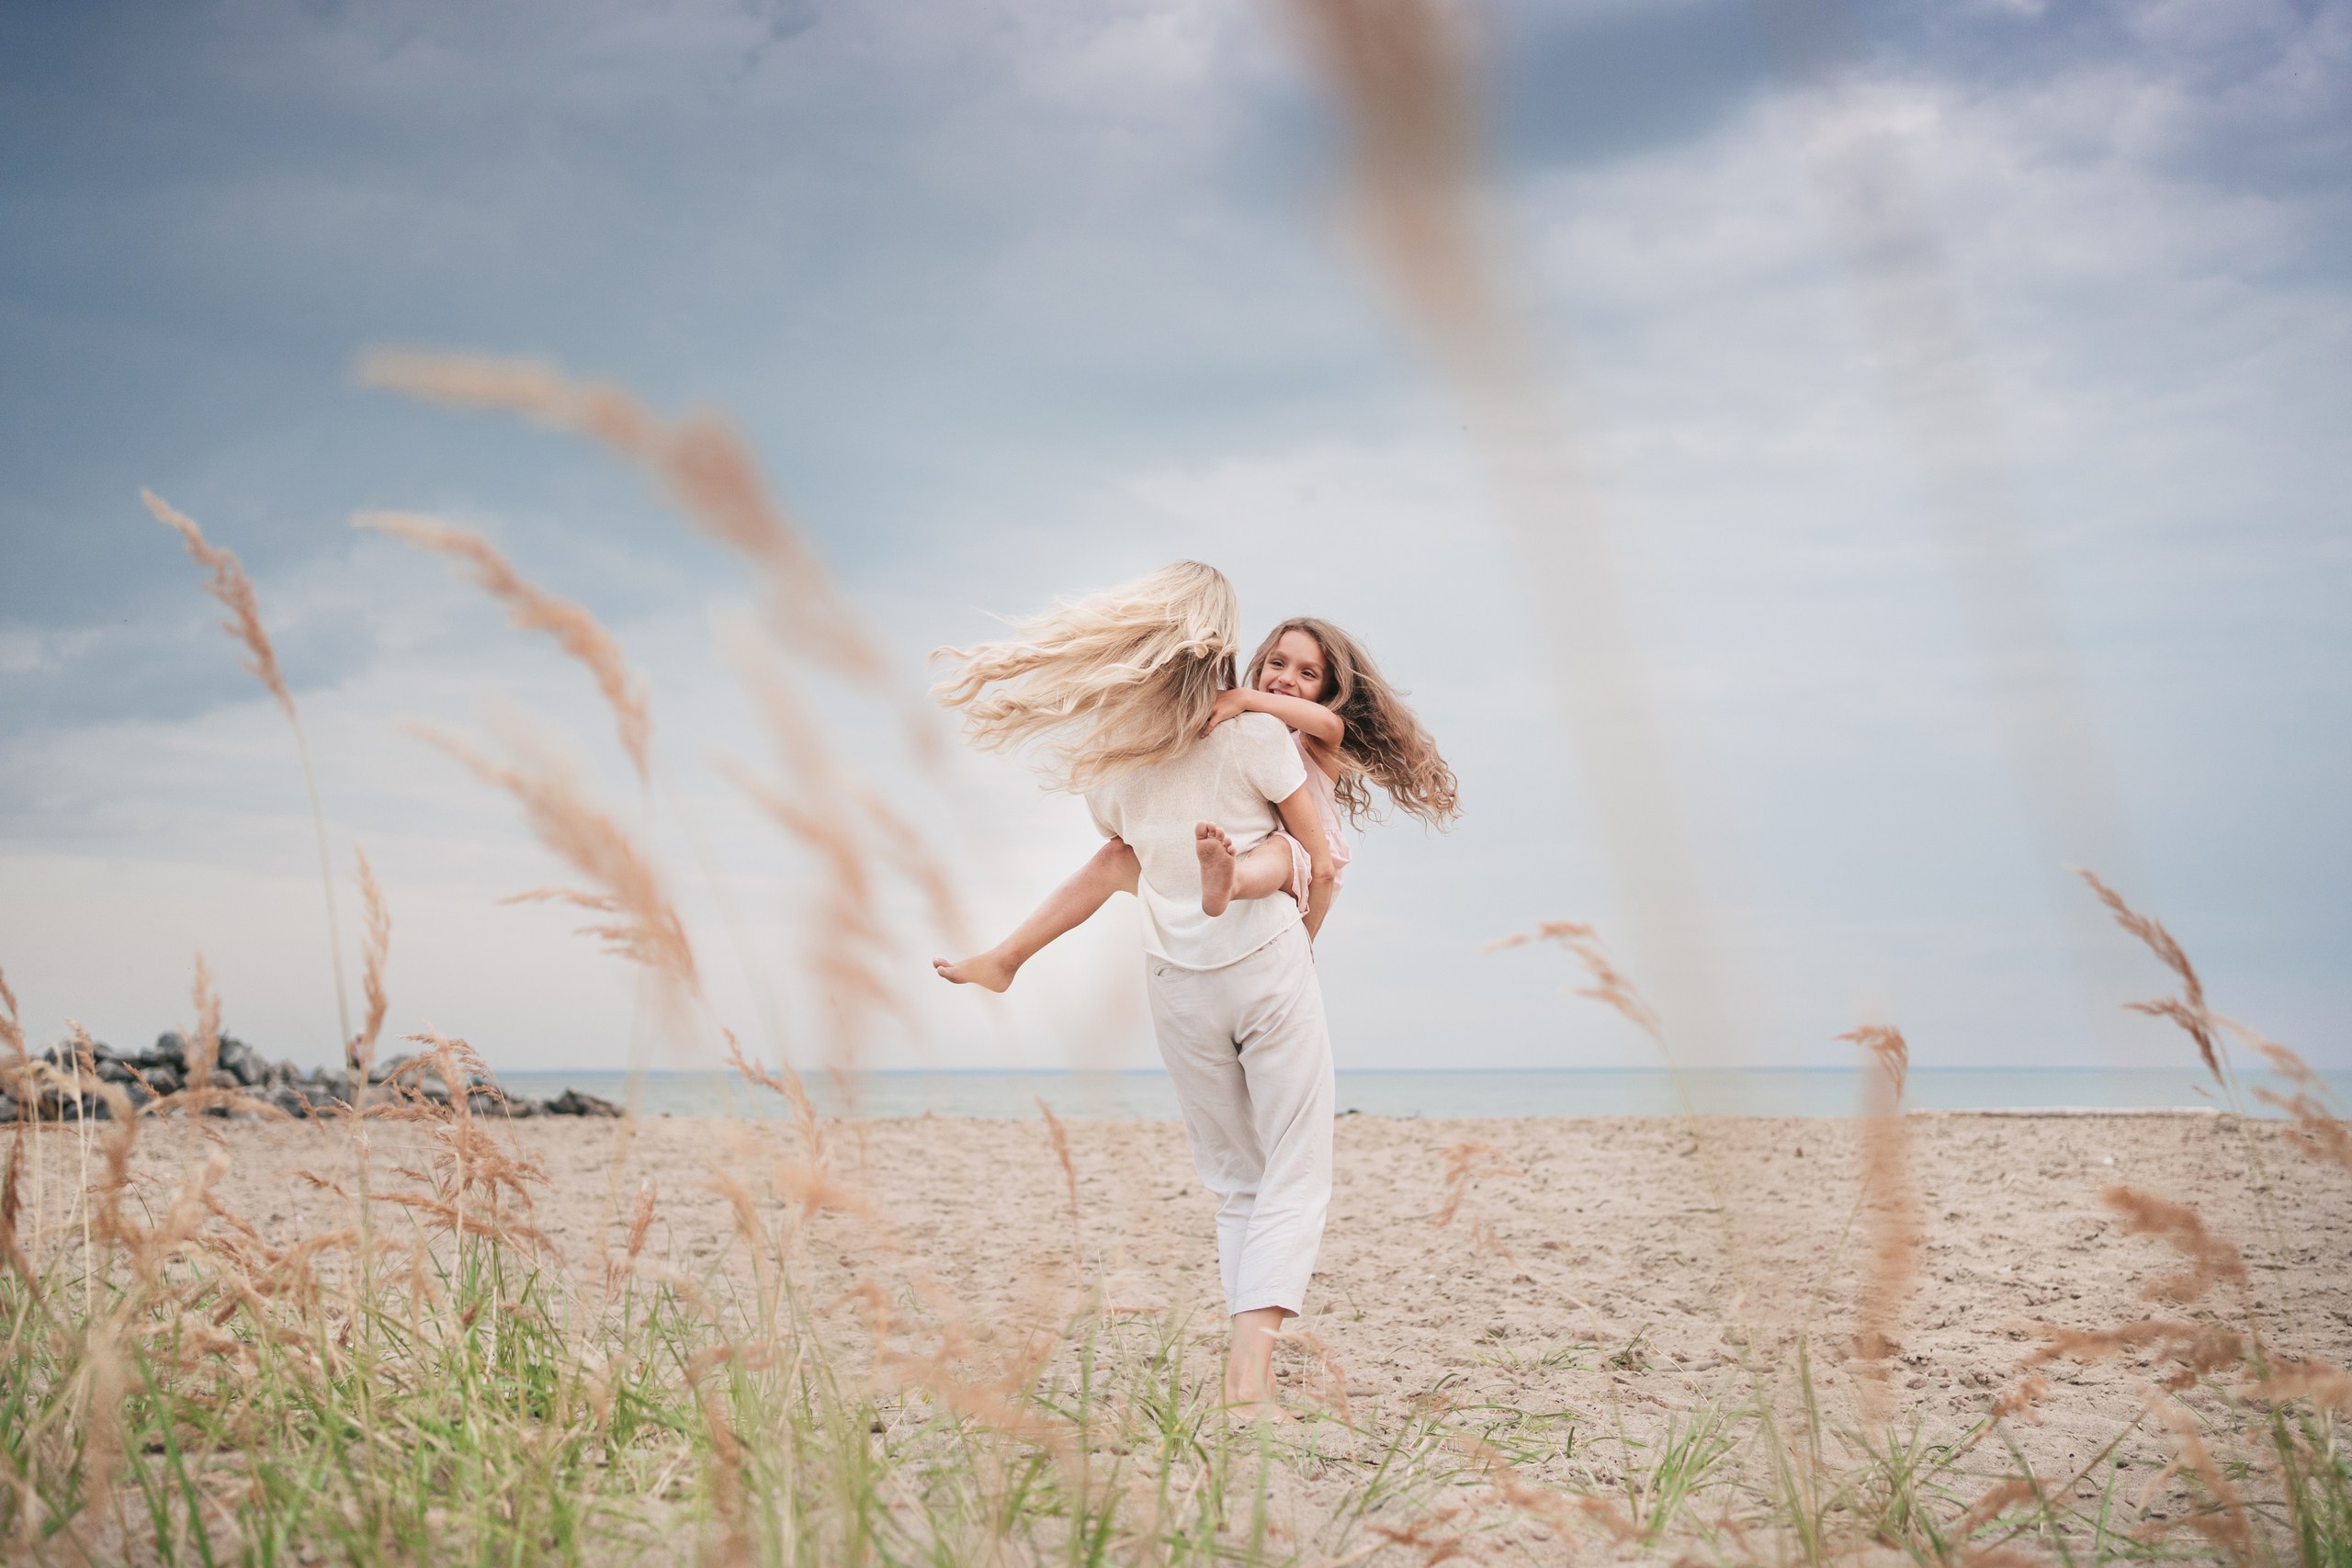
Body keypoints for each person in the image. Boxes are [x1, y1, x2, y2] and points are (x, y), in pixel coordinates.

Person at [930, 560, 1339, 1413]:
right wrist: (1303, 927)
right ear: (1224, 645)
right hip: (1264, 963)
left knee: (1235, 1179)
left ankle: (1005, 960)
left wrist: (1013, 950)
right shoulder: (1258, 737)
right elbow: (1322, 857)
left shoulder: (1115, 761)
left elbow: (1117, 859)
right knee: (1295, 1174)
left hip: (1176, 982)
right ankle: (1247, 1374)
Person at [933, 615, 1459, 993]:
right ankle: (1006, 959)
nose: (1286, 679)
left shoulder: (1321, 735)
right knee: (1113, 858)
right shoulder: (1245, 734)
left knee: (1277, 848)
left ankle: (1228, 881)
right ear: (1259, 662)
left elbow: (1320, 857)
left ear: (1328, 689)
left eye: (1307, 674)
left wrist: (1247, 698)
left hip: (1298, 859)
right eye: (1277, 663)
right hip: (1228, 858)